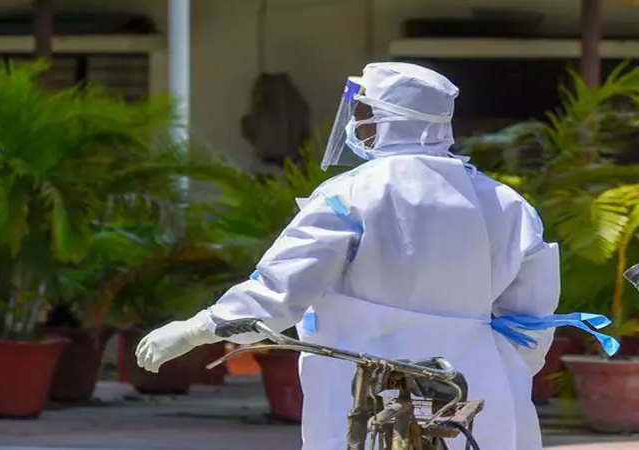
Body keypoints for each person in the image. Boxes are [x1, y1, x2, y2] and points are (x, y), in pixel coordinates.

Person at [137, 62, 619, 450]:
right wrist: (495, 369)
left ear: (384, 119)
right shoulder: (505, 203)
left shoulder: (350, 194)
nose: (356, 124)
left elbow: (280, 292)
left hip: (365, 389)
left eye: (362, 112)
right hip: (475, 391)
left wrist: (195, 329)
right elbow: (532, 319)